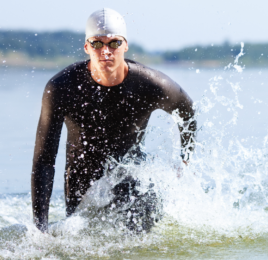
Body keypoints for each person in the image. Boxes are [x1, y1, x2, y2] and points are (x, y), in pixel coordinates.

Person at [31, 8, 196, 233]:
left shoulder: (151, 85)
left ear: (125, 46)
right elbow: (44, 160)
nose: (106, 51)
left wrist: (184, 160)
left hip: (132, 176)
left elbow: (188, 113)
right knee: (80, 237)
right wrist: (40, 230)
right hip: (83, 184)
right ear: (86, 47)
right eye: (97, 43)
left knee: (137, 226)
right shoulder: (62, 88)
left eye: (114, 43)